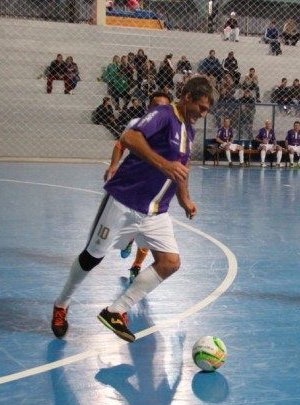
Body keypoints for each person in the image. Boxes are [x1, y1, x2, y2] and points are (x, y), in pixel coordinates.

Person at [50, 78, 216, 343]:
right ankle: (62, 304)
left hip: (156, 212)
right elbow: (129, 137)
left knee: (170, 262)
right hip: (125, 200)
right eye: (201, 106)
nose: (203, 114)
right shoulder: (162, 115)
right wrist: (163, 164)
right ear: (186, 97)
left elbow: (182, 167)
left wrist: (185, 198)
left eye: (207, 109)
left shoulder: (189, 130)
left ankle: (116, 311)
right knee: (92, 257)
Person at [105, 92, 172, 283]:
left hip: (155, 188)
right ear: (148, 108)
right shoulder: (137, 123)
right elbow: (120, 145)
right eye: (155, 105)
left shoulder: (174, 129)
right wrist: (113, 165)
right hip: (132, 184)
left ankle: (136, 266)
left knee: (150, 230)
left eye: (163, 106)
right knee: (127, 225)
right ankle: (128, 240)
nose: (158, 109)